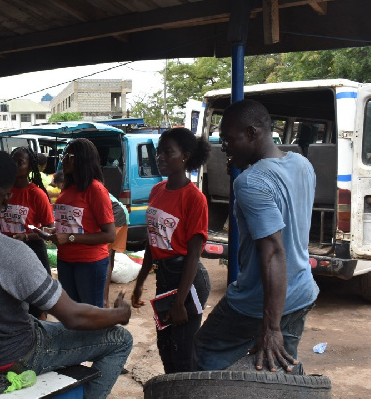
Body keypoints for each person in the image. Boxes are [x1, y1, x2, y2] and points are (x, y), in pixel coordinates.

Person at [0, 149, 132, 399]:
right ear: (7, 198)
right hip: (17, 355)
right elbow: (74, 317)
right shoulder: (8, 251)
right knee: (121, 339)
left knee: (40, 322)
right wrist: (119, 314)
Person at [194, 99, 319, 372]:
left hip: (257, 300)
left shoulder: (251, 182)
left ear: (252, 133)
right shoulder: (301, 163)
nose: (224, 147)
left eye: (228, 139)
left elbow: (273, 251)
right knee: (281, 367)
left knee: (205, 347)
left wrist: (271, 327)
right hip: (302, 292)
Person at [131, 128, 211, 373]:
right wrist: (140, 281)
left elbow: (194, 254)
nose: (160, 157)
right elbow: (152, 241)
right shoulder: (157, 190)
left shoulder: (195, 198)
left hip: (187, 280)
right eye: (159, 152)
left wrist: (180, 301)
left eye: (168, 152)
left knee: (183, 351)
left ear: (185, 156)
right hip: (165, 278)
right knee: (166, 346)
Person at [50, 138, 116, 308]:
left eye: (69, 156)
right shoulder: (67, 189)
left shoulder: (96, 190)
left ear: (83, 158)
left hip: (89, 264)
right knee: (72, 315)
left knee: (90, 316)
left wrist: (70, 238)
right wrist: (52, 231)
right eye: (63, 156)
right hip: (65, 261)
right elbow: (69, 225)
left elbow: (110, 235)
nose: (64, 160)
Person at [0, 146, 55, 319]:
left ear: (30, 167)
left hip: (32, 252)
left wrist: (27, 236)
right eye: (11, 161)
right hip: (5, 252)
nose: (14, 165)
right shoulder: (2, 193)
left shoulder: (36, 195)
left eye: (19, 162)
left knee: (36, 304)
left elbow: (50, 229)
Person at [103, 193, 129, 308]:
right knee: (109, 257)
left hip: (116, 214)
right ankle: (104, 300)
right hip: (121, 213)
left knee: (105, 258)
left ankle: (104, 301)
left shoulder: (90, 188)